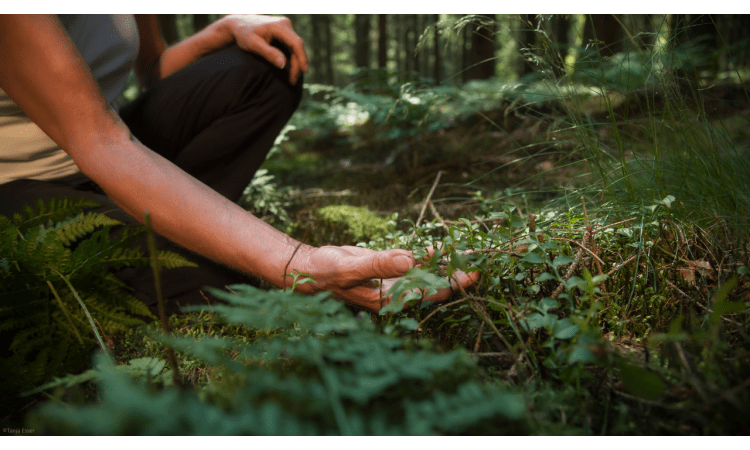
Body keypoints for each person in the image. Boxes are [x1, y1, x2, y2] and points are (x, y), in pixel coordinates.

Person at [0, 14, 478, 315]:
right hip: (25, 184)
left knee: (266, 67)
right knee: (234, 283)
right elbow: (100, 141)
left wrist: (221, 31)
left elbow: (153, 72)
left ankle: (175, 222)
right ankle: (184, 239)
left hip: (114, 142)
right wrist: (297, 262)